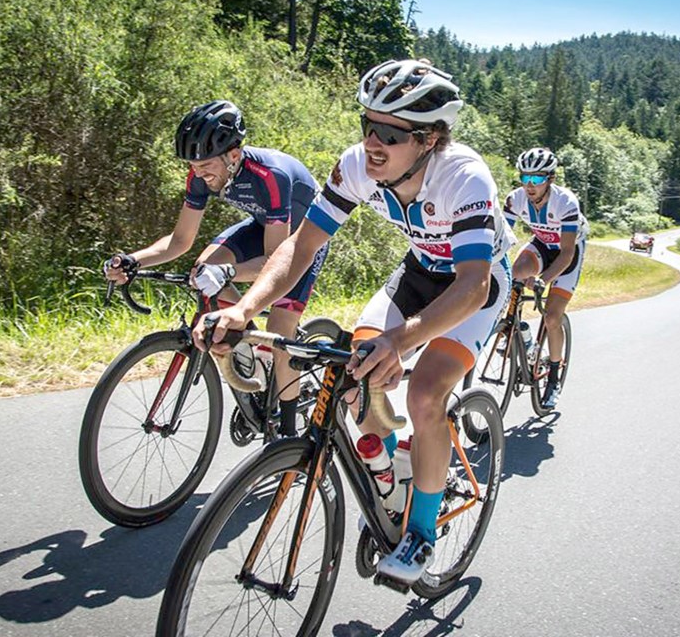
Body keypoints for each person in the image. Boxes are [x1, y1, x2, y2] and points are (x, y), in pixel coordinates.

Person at [193, 60, 515, 585]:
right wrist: (242, 308)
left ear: (431, 138)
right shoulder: (358, 166)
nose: (373, 142)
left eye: (390, 133)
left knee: (425, 394)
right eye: (367, 125)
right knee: (356, 371)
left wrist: (402, 338)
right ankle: (392, 473)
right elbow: (301, 244)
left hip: (473, 286)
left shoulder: (464, 176)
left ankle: (421, 532)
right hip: (418, 272)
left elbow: (473, 284)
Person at [104, 100, 329, 436]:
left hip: (301, 240)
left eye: (205, 165)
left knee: (281, 325)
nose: (198, 173)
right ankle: (251, 346)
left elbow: (273, 262)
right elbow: (180, 240)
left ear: (233, 156)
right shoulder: (200, 175)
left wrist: (228, 274)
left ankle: (287, 435)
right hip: (263, 226)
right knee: (202, 269)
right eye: (193, 166)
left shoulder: (271, 177)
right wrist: (135, 260)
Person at [502, 147, 589, 409]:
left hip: (566, 254)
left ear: (549, 179)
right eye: (525, 178)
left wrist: (543, 278)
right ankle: (518, 332)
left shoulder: (565, 203)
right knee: (513, 276)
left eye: (537, 179)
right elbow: (501, 240)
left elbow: (566, 253)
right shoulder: (514, 199)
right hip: (541, 244)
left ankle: (553, 376)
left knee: (552, 317)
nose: (530, 185)